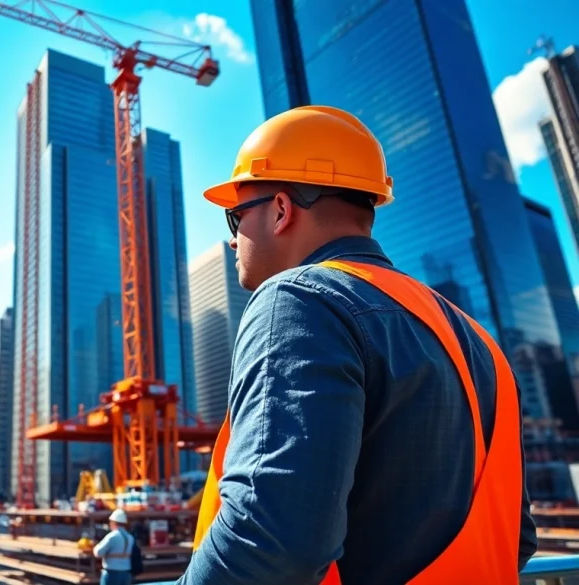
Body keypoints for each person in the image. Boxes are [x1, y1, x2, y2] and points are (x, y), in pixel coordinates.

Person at [177, 105, 537, 585]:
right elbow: (516, 536)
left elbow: (272, 542)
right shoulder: (477, 340)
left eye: (235, 216)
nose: (233, 240)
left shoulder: (299, 300)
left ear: (281, 210)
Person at [93, 508, 134, 585]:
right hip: (126, 573)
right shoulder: (130, 537)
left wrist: (95, 546)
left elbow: (98, 553)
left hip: (111, 573)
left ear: (113, 522)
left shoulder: (112, 536)